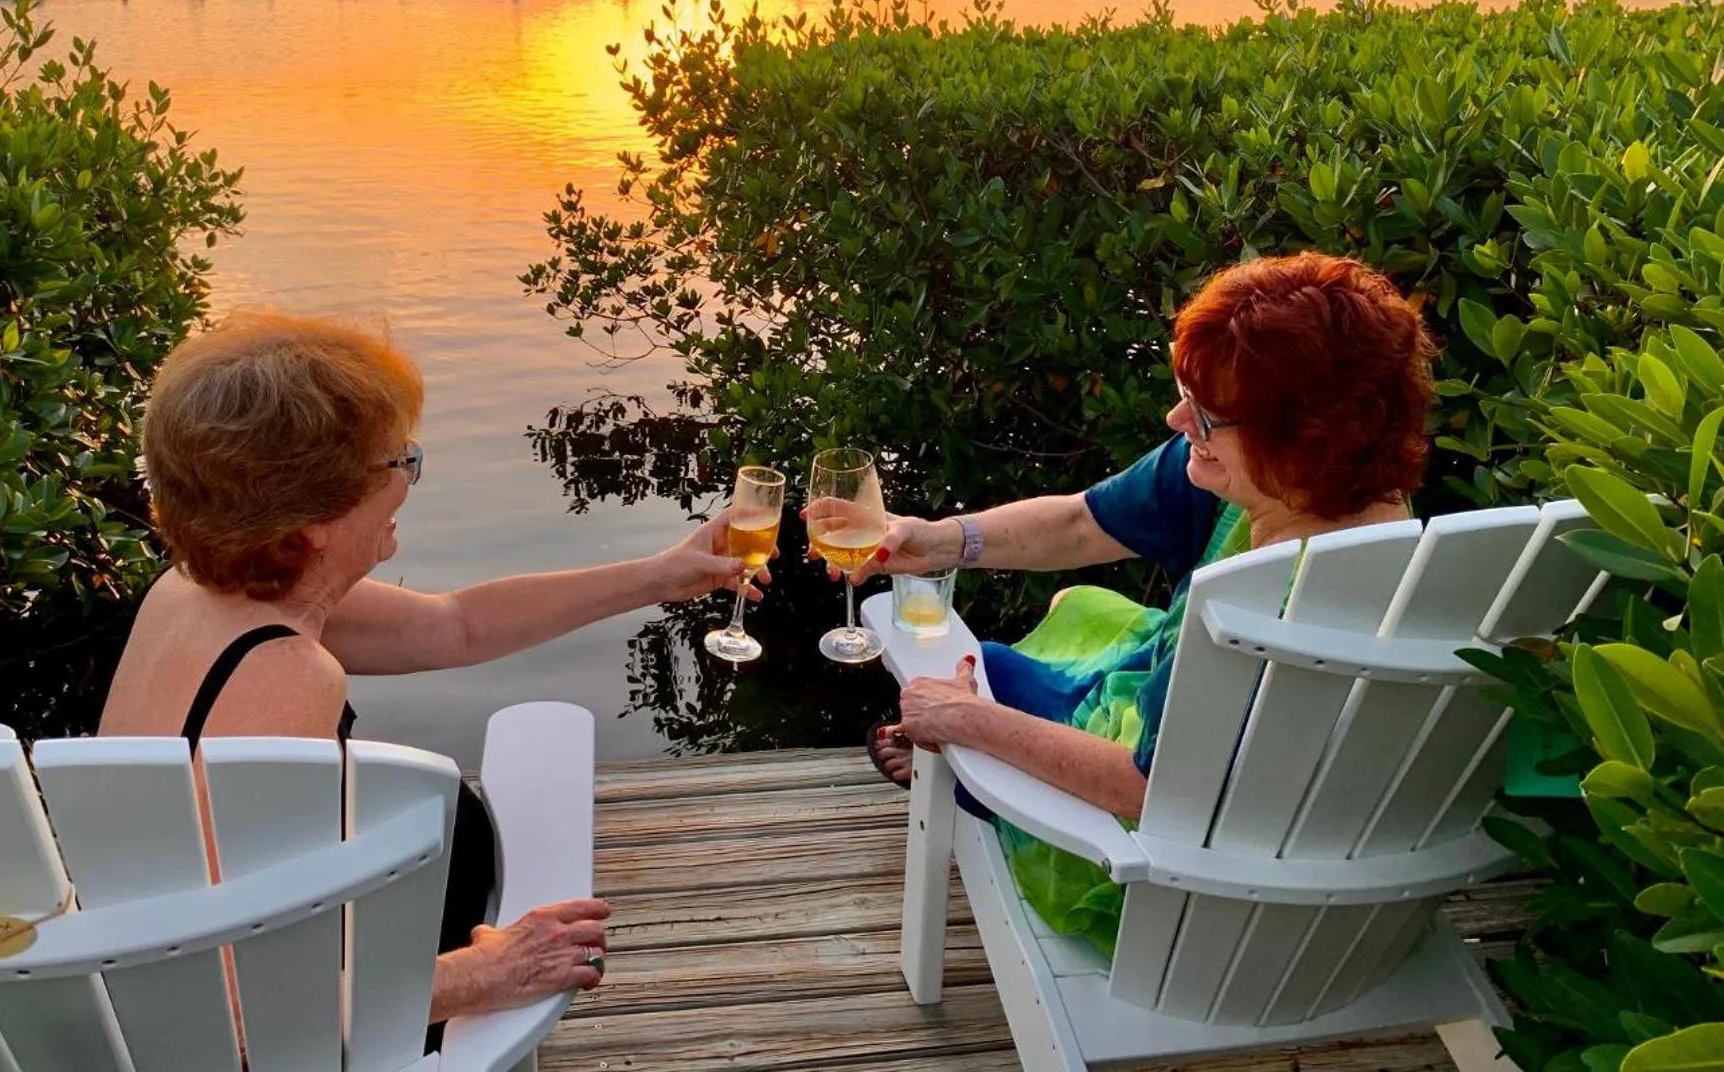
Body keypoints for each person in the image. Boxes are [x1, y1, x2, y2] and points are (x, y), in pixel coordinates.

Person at [100, 311, 757, 1026]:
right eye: (397, 462)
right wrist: (479, 975)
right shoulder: (281, 675)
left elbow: (457, 626)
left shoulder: (211, 591)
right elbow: (241, 1004)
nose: (408, 478)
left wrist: (662, 575)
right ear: (312, 523)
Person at [853, 252, 1435, 955]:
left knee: (971, 683)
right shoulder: (1330, 497)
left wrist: (966, 722)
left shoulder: (1252, 609)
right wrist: (941, 542)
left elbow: (1149, 792)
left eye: (1207, 414)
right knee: (1060, 618)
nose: (1178, 417)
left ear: (1304, 435)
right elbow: (1083, 521)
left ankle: (959, 776)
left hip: (1170, 876)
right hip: (1316, 831)